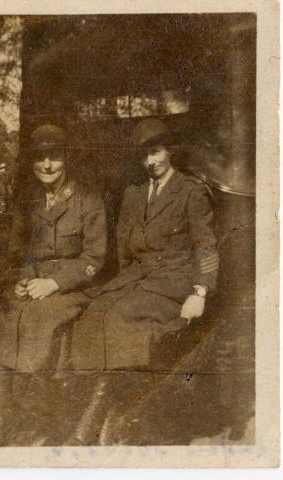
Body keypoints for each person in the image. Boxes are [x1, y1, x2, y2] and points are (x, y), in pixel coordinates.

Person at [69, 118, 220, 444]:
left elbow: (206, 248)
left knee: (121, 317)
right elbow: (125, 252)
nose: (150, 162)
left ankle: (94, 420)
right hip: (137, 279)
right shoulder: (133, 194)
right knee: (95, 312)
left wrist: (200, 291)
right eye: (144, 156)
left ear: (170, 151)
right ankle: (111, 412)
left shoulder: (191, 192)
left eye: (156, 152)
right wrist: (125, 283)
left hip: (174, 280)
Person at [0, 124, 107, 444]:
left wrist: (53, 283)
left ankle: (44, 417)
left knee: (41, 319)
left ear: (65, 158)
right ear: (32, 162)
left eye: (54, 157)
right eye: (40, 158)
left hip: (75, 286)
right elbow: (17, 254)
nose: (47, 165)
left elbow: (95, 258)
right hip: (35, 283)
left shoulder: (87, 197)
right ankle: (1, 418)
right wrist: (22, 281)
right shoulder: (28, 200)